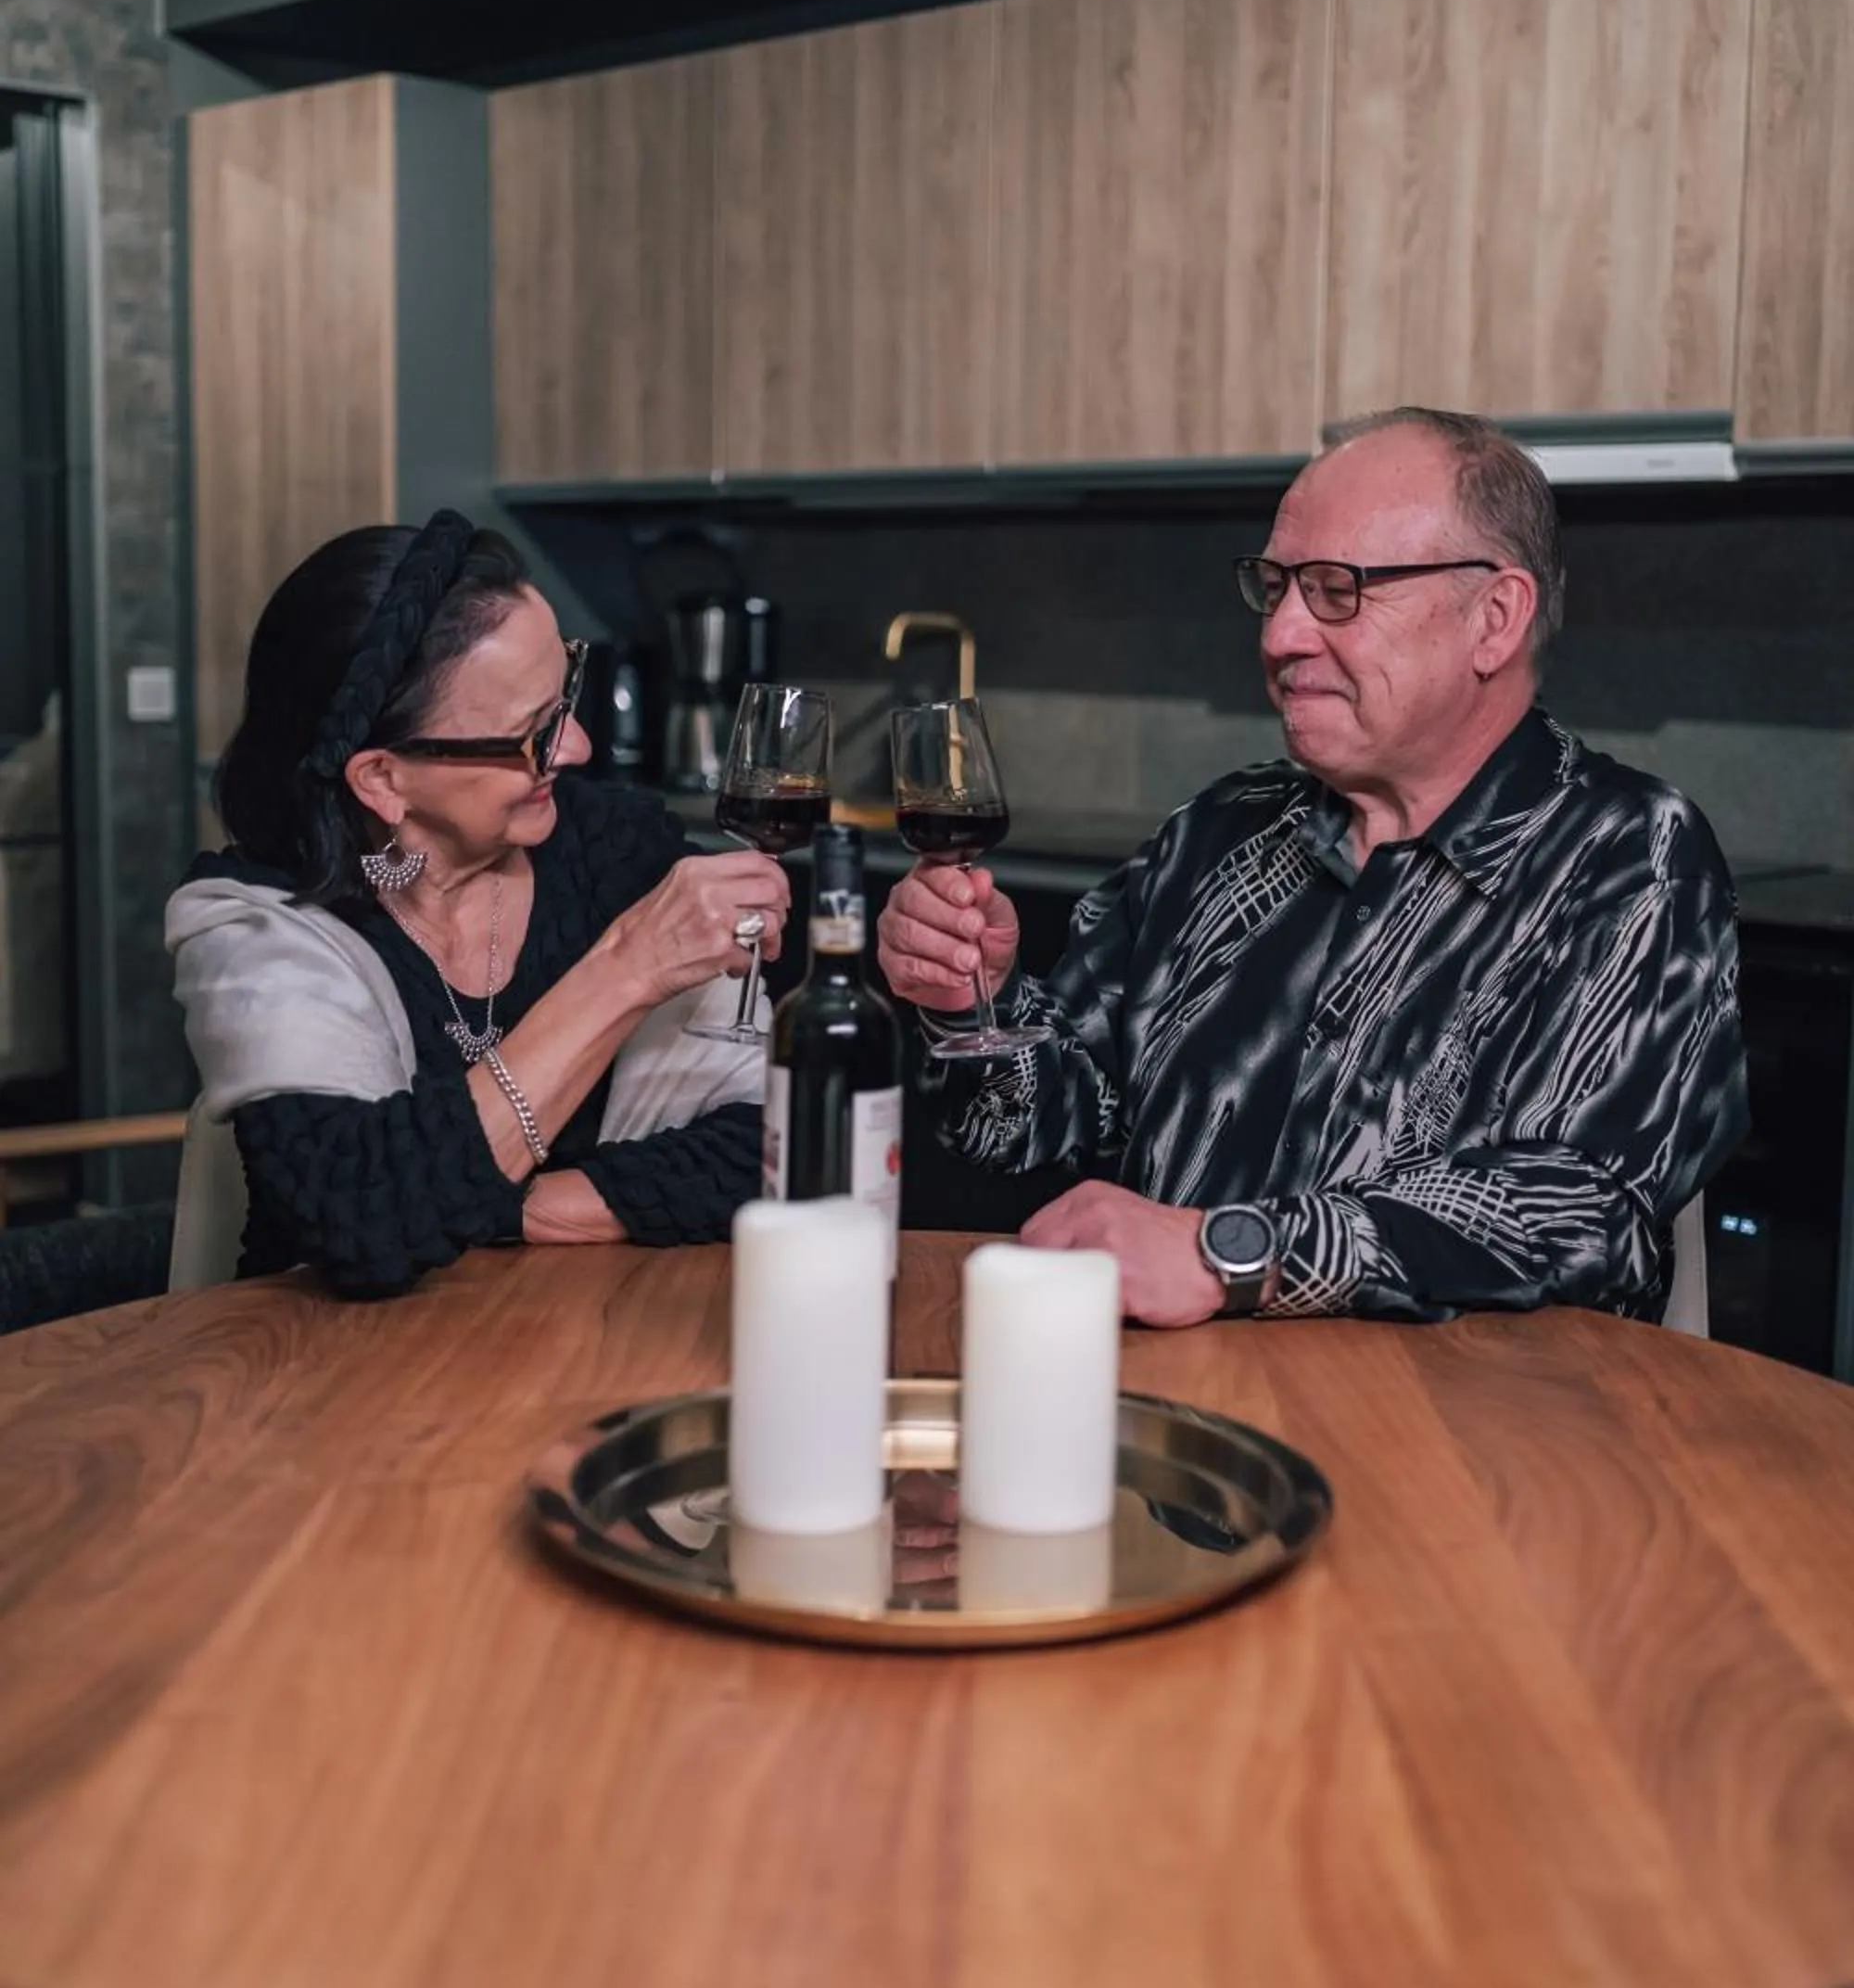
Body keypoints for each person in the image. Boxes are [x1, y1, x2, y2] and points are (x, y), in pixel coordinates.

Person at [877, 409, 1748, 1329]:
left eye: (1337, 589)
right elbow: (1026, 1129)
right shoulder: (1221, 832)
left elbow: (1576, 1210)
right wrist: (968, 1001)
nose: (1282, 634)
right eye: (1276, 586)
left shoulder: (1629, 856)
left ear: (1492, 619)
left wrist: (1228, 1254)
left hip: (1467, 1445)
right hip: (1191, 1410)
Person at [168, 511, 787, 1297]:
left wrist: (482, 1205)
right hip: (330, 1379)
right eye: (532, 735)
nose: (578, 749)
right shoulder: (259, 928)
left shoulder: (609, 848)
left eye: (565, 698)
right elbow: (366, 1217)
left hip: (581, 1347)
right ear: (383, 780)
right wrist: (626, 971)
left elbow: (772, 1144)